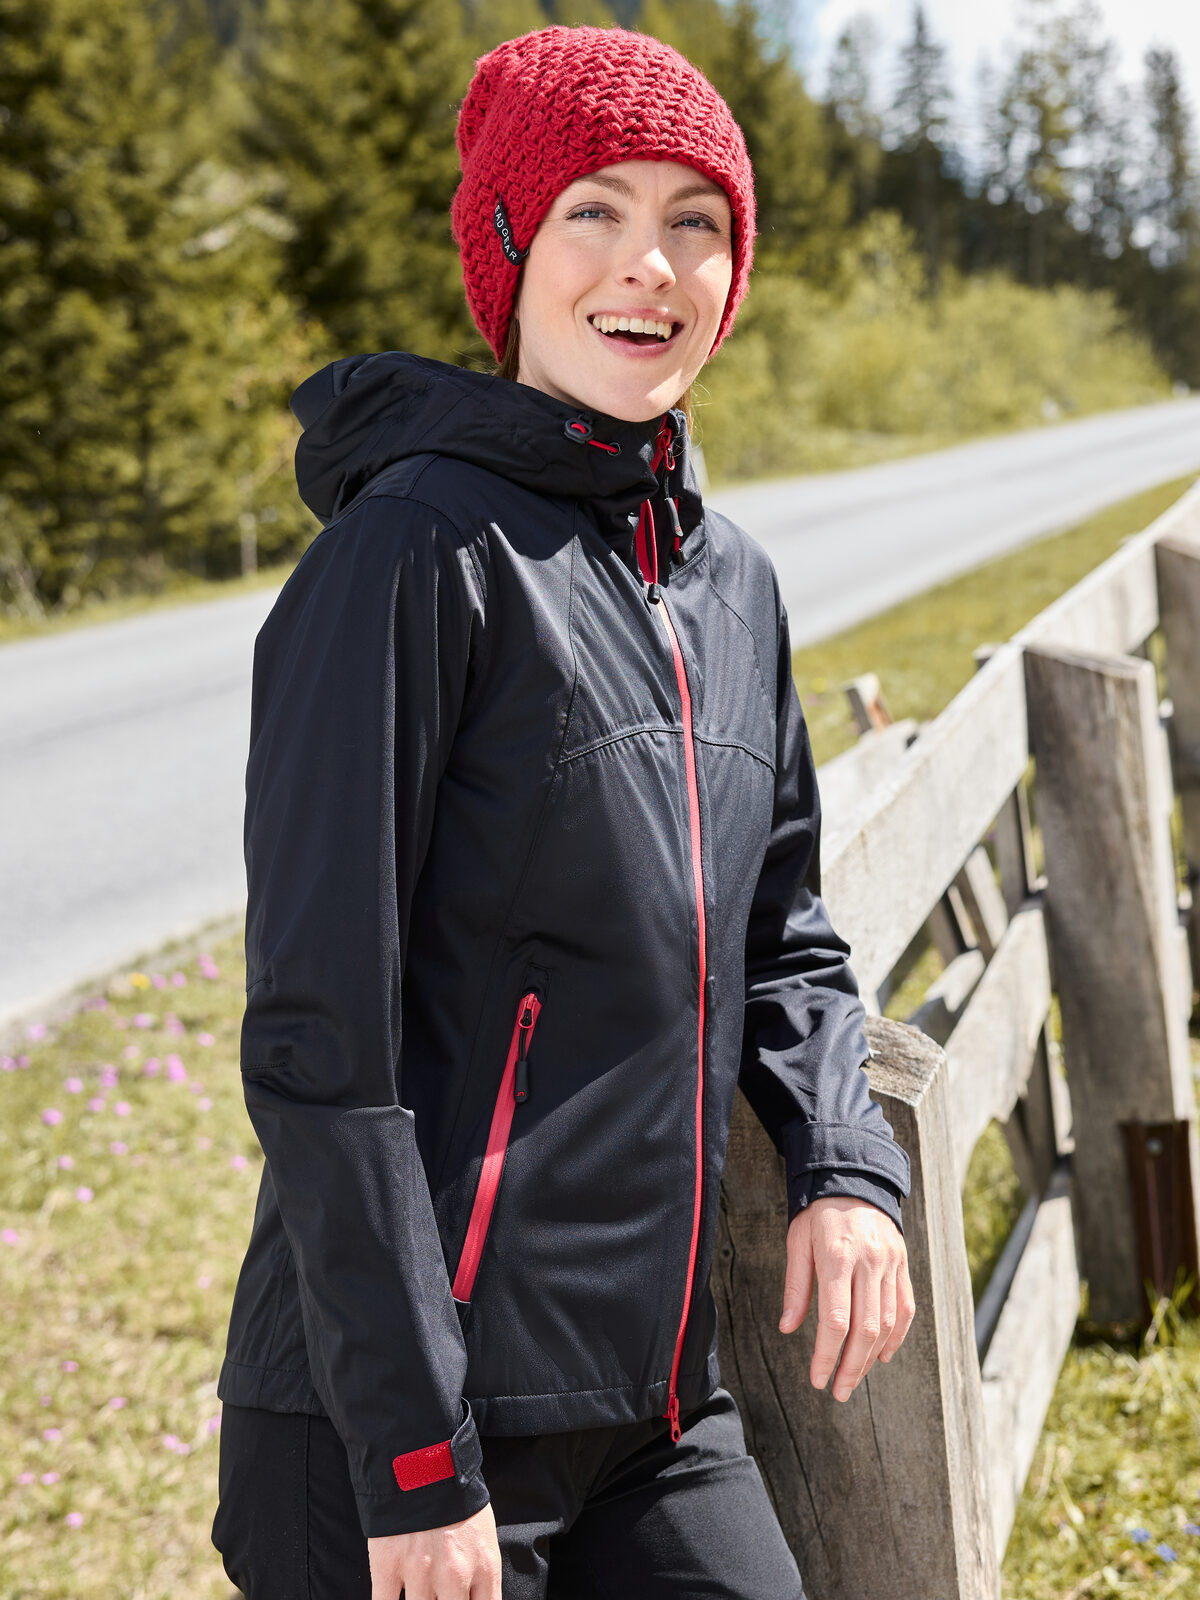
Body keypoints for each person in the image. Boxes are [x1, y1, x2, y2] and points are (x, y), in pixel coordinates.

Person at [211, 23, 915, 1600]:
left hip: (660, 1413)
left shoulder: (730, 586)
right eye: (595, 209)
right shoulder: (410, 559)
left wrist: (845, 1164)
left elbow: (784, 938)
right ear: (511, 248)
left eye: (697, 222)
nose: (648, 265)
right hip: (401, 1430)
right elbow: (325, 1046)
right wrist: (412, 1459)